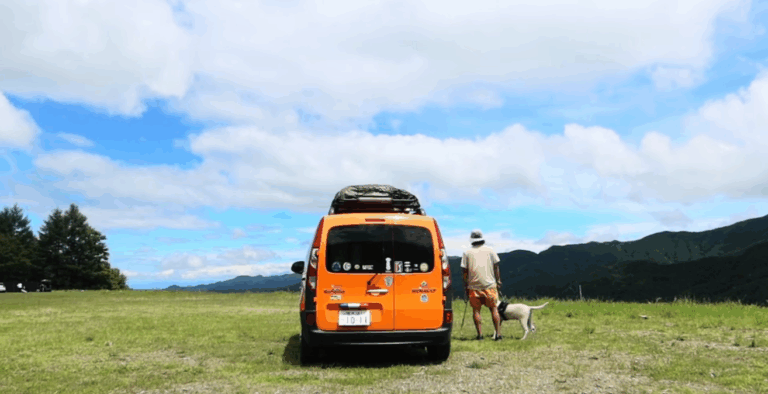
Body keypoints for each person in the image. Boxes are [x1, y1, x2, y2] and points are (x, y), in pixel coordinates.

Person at [461, 229, 502, 340]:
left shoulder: (467, 253)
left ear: (472, 240)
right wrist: (498, 281)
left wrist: (466, 286)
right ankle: (498, 335)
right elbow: (496, 267)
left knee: (476, 311)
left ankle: (480, 335)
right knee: (494, 309)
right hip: (489, 285)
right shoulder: (490, 250)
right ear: (482, 238)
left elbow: (464, 271)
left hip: (473, 286)